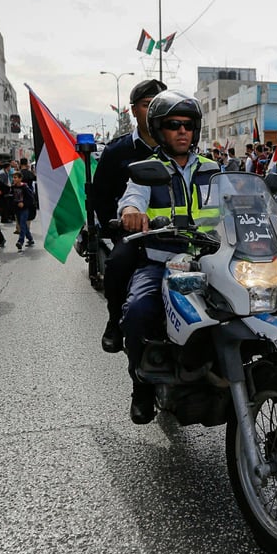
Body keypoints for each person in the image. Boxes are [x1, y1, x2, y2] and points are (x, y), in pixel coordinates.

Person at [116, 90, 220, 424]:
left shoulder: (212, 168)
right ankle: (141, 387)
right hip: (162, 260)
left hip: (212, 259)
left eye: (188, 125)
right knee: (137, 311)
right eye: (173, 124)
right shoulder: (148, 169)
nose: (182, 131)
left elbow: (236, 201)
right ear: (160, 129)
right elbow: (132, 197)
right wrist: (132, 211)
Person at [95, 79, 168, 351]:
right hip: (132, 232)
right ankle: (115, 321)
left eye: (159, 105)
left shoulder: (178, 147)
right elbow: (101, 195)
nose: (153, 112)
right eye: (147, 105)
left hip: (177, 232)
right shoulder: (117, 151)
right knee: (118, 263)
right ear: (133, 110)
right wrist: (115, 228)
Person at [11, 171, 36, 250]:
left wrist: (24, 203)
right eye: (13, 177)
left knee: (22, 224)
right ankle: (30, 239)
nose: (14, 179)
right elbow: (12, 197)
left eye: (15, 177)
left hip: (24, 209)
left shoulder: (25, 187)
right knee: (23, 225)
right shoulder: (13, 187)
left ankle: (20, 241)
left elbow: (30, 198)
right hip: (17, 209)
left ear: (20, 178)